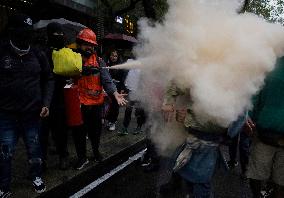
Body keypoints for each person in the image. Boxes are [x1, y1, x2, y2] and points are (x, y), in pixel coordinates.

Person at [0, 13, 54, 196]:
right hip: (6, 115)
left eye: (28, 32)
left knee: (34, 150)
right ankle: (4, 186)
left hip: (32, 115)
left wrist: (46, 102)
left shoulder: (38, 54)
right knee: (5, 153)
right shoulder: (1, 52)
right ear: (12, 33)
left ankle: (36, 177)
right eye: (22, 32)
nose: (26, 36)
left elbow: (49, 78)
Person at [72, 28, 127, 170]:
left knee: (95, 133)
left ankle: (96, 152)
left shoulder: (99, 61)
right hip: (79, 105)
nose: (88, 47)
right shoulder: (72, 59)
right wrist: (80, 71)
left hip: (96, 105)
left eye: (91, 45)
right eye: (85, 44)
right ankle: (82, 157)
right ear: (79, 43)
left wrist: (115, 93)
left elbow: (107, 80)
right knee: (79, 134)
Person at [161, 82, 229, 198]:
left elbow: (229, 115)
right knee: (191, 176)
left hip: (208, 140)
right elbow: (177, 83)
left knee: (200, 180)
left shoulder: (229, 76)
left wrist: (188, 118)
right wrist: (168, 102)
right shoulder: (196, 69)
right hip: (194, 136)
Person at [247, 57, 284, 198]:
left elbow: (255, 95)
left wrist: (249, 117)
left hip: (265, 128)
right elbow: (256, 94)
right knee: (278, 178)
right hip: (266, 131)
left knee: (259, 171)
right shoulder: (269, 62)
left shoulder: (269, 61)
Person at [40, 22, 70, 170]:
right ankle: (42, 161)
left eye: (60, 34)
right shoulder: (42, 52)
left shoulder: (65, 52)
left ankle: (63, 156)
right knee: (42, 132)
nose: (59, 37)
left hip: (60, 98)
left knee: (61, 130)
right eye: (55, 34)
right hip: (44, 98)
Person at [105, 49, 128, 131]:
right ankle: (107, 120)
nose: (113, 57)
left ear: (118, 57)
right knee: (107, 105)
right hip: (107, 89)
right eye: (112, 55)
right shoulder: (106, 64)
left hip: (117, 89)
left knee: (115, 105)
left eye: (115, 56)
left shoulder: (121, 66)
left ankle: (113, 122)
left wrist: (122, 89)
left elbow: (123, 79)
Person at [119, 68, 147, 135]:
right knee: (128, 110)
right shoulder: (129, 63)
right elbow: (125, 77)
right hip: (130, 91)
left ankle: (139, 127)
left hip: (140, 93)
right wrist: (123, 88)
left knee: (139, 110)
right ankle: (125, 127)